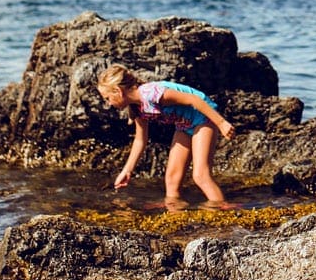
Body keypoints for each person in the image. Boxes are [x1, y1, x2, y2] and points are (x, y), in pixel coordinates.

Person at [97, 64, 235, 205]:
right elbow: (140, 140)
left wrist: (221, 123)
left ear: (118, 91)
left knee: (200, 176)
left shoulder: (152, 94)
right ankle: (176, 216)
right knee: (172, 179)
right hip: (184, 125)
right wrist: (127, 171)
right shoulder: (136, 108)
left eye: (108, 98)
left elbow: (195, 100)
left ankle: (224, 212)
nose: (108, 103)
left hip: (203, 117)